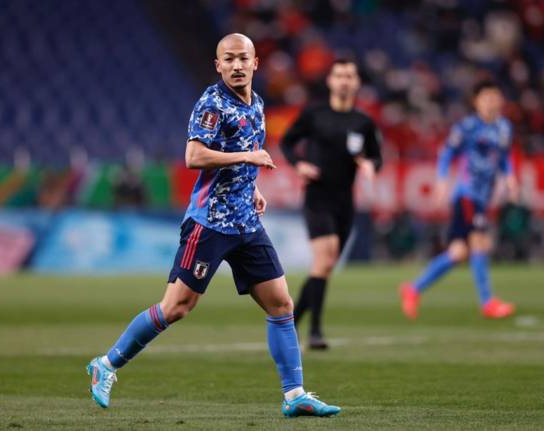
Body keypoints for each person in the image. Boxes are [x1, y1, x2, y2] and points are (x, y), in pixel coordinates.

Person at [87, 33, 341, 418]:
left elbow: (241, 160)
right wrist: (249, 157)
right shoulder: (211, 103)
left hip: (246, 223)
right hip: (209, 224)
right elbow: (194, 156)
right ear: (218, 65)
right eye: (229, 59)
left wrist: (252, 186)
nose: (237, 65)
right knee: (176, 307)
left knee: (281, 304)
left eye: (243, 58)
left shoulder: (256, 104)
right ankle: (106, 365)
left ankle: (295, 396)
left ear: (256, 64)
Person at [280, 58, 382, 349]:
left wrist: (371, 166)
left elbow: (376, 156)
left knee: (324, 267)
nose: (344, 81)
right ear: (330, 81)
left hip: (344, 201)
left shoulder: (363, 122)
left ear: (357, 83)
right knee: (324, 260)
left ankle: (291, 323)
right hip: (317, 196)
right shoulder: (315, 114)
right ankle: (315, 333)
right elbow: (288, 142)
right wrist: (299, 164)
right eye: (339, 75)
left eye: (350, 76)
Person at [399, 80, 518, 320]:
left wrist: (510, 177)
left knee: (458, 252)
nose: (492, 102)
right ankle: (488, 303)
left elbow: (504, 156)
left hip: (483, 198)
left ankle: (413, 289)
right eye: (486, 98)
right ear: (476, 102)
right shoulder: (467, 127)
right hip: (467, 195)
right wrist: (442, 182)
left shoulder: (505, 128)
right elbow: (447, 154)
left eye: (495, 97)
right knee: (480, 242)